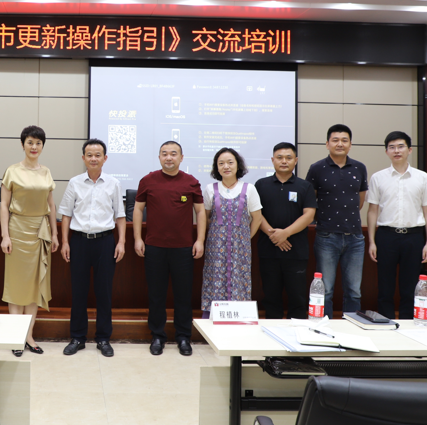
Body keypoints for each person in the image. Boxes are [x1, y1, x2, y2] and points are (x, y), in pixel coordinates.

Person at [133, 141, 205, 357]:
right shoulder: (148, 180)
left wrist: (200, 240)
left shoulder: (191, 182)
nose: (169, 157)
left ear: (181, 158)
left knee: (183, 295)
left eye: (173, 154)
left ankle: (183, 337)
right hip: (154, 247)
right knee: (156, 295)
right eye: (164, 154)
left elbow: (200, 212)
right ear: (159, 157)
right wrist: (137, 238)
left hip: (183, 248)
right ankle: (157, 336)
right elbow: (138, 209)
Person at [59, 138, 126, 357]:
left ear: (105, 158)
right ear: (83, 158)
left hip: (105, 242)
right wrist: (65, 242)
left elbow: (120, 216)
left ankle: (103, 338)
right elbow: (66, 214)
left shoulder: (113, 183)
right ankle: (77, 337)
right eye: (89, 155)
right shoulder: (74, 182)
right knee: (78, 291)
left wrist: (121, 242)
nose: (93, 159)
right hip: (79, 241)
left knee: (104, 292)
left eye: (98, 155)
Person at [0, 125, 58, 357]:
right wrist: (5, 235)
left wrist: (55, 234)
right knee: (16, 286)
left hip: (40, 232)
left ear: (42, 146)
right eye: (30, 142)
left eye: (38, 143)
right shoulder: (12, 171)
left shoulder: (46, 172)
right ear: (23, 144)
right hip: (17, 230)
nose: (34, 147)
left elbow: (51, 204)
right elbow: (4, 205)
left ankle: (29, 336)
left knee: (35, 287)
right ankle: (16, 336)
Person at [367, 131, 427, 319]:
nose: (396, 151)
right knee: (385, 285)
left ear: (409, 150)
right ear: (386, 152)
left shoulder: (423, 177)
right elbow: (372, 211)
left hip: (414, 237)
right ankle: (385, 322)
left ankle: (408, 323)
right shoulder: (378, 178)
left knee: (410, 285)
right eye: (392, 147)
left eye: (400, 146)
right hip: (386, 236)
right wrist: (372, 241)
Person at [305, 124, 369, 318]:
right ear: (327, 144)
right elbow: (311, 201)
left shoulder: (359, 167)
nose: (340, 144)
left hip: (355, 238)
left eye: (344, 140)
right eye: (335, 140)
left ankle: (352, 326)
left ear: (350, 144)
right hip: (326, 237)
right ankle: (325, 327)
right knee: (325, 290)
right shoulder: (316, 168)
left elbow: (359, 201)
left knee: (354, 290)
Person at [254, 143, 317, 319]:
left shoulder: (305, 186)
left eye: (288, 158)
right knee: (271, 297)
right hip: (268, 250)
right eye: (279, 157)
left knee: (297, 298)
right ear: (272, 160)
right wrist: (274, 235)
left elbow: (309, 215)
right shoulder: (261, 185)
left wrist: (285, 233)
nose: (284, 161)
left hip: (296, 251)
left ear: (295, 161)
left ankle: (298, 333)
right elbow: (256, 214)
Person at [201, 147, 263, 313]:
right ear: (216, 167)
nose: (226, 166)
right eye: (221, 163)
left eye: (230, 162)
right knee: (214, 280)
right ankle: (211, 318)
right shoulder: (210, 189)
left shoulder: (249, 189)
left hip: (240, 248)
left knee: (239, 281)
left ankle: (238, 320)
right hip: (215, 247)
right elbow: (205, 217)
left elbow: (257, 218)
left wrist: (245, 238)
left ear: (238, 165)